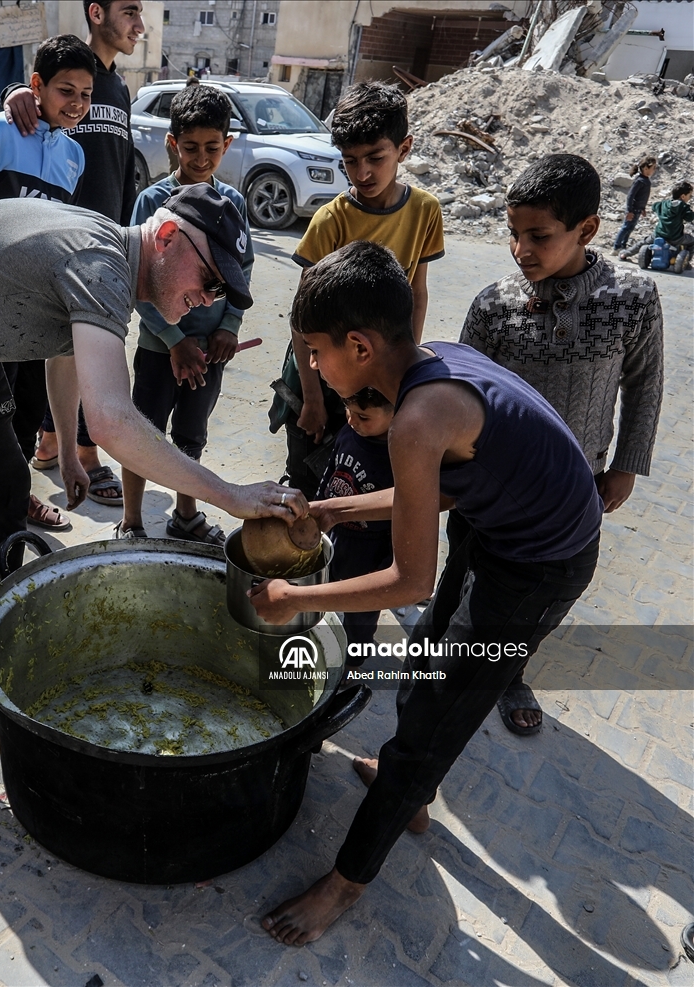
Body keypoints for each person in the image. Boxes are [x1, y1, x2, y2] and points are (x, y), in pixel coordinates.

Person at [0, 184, 307, 796]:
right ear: (166, 236)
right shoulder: (101, 263)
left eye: (220, 293)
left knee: (6, 501)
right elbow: (114, 420)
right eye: (208, 278)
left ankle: (6, 652)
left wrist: (64, 449)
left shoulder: (108, 261)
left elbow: (63, 352)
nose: (206, 299)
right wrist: (230, 495)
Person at [250, 240, 602, 946]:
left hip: (542, 562)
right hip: (498, 524)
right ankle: (408, 788)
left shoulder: (416, 419)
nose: (313, 367)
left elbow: (406, 579)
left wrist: (295, 597)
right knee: (428, 659)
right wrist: (331, 511)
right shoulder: (429, 362)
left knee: (442, 713)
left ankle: (347, 880)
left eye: (317, 352)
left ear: (358, 344)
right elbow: (436, 490)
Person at [461, 153, 663, 735]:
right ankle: (453, 660)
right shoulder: (495, 302)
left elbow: (645, 381)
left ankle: (511, 668)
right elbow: (458, 391)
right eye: (514, 235)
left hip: (579, 486)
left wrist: (626, 464)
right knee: (472, 583)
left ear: (588, 229)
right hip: (492, 486)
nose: (522, 250)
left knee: (551, 590)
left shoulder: (631, 296)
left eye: (539, 236)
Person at [0, 34, 97, 568]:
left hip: (33, 315)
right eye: (64, 90)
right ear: (36, 87)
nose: (75, 103)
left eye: (84, 93)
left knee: (24, 417)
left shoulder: (74, 156)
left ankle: (12, 499)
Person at [268, 82, 444, 500]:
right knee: (308, 477)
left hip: (379, 373)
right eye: (350, 161)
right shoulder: (331, 220)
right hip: (320, 373)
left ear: (404, 148)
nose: (362, 173)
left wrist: (407, 370)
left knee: (361, 475)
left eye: (375, 158)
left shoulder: (425, 211)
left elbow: (416, 293)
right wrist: (311, 397)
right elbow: (302, 317)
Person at [3, 0, 148, 508]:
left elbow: (123, 166)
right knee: (45, 356)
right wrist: (14, 91)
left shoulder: (119, 88)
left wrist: (125, 236)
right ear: (96, 13)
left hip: (102, 243)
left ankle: (54, 446)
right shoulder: (66, 75)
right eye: (130, 11)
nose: (139, 24)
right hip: (53, 245)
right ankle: (71, 454)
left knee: (74, 352)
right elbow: (25, 109)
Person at [120, 84, 254, 543]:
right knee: (143, 435)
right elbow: (138, 282)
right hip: (159, 349)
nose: (201, 158)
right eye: (190, 147)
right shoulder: (150, 204)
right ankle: (132, 521)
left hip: (210, 351)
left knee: (191, 437)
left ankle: (186, 516)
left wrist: (229, 329)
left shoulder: (232, 206)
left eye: (212, 148)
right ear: (171, 143)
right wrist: (175, 341)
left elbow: (244, 270)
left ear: (227, 145)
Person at [314, 387, 394, 655]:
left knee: (361, 614)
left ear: (395, 412)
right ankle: (318, 645)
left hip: (371, 552)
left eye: (363, 416)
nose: (352, 420)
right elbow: (330, 472)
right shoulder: (348, 433)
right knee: (321, 595)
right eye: (348, 410)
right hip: (334, 536)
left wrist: (387, 565)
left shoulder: (400, 455)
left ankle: (353, 661)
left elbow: (404, 516)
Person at [614, 153, 656, 257]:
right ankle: (616, 247)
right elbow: (630, 196)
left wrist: (643, 208)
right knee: (625, 227)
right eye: (653, 167)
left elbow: (642, 197)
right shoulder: (640, 181)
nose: (654, 170)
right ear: (646, 168)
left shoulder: (646, 181)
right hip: (632, 210)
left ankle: (623, 246)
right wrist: (629, 211)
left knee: (630, 228)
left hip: (637, 210)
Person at [650, 180, 694, 271]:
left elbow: (654, 206)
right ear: (683, 196)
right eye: (690, 196)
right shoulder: (683, 206)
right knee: (691, 241)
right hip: (675, 237)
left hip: (659, 234)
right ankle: (686, 262)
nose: (690, 198)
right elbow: (690, 218)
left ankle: (626, 253)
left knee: (644, 241)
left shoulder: (664, 203)